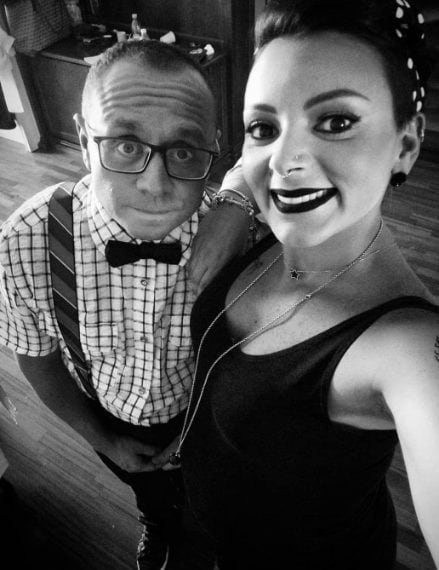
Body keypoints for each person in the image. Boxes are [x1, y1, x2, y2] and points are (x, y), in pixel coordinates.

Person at [179, 0, 439, 568]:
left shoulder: (408, 345)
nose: (283, 160)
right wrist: (234, 199)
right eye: (264, 127)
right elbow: (251, 168)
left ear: (406, 145)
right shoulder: (275, 228)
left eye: (336, 122)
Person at [0, 39, 254, 570]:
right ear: (84, 140)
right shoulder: (26, 241)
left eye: (183, 151)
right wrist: (104, 441)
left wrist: (241, 198)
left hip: (209, 420)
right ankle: (157, 522)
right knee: (152, 496)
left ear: (214, 147)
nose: (155, 185)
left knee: (221, 506)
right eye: (124, 145)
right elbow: (38, 359)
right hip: (108, 420)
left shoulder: (238, 238)